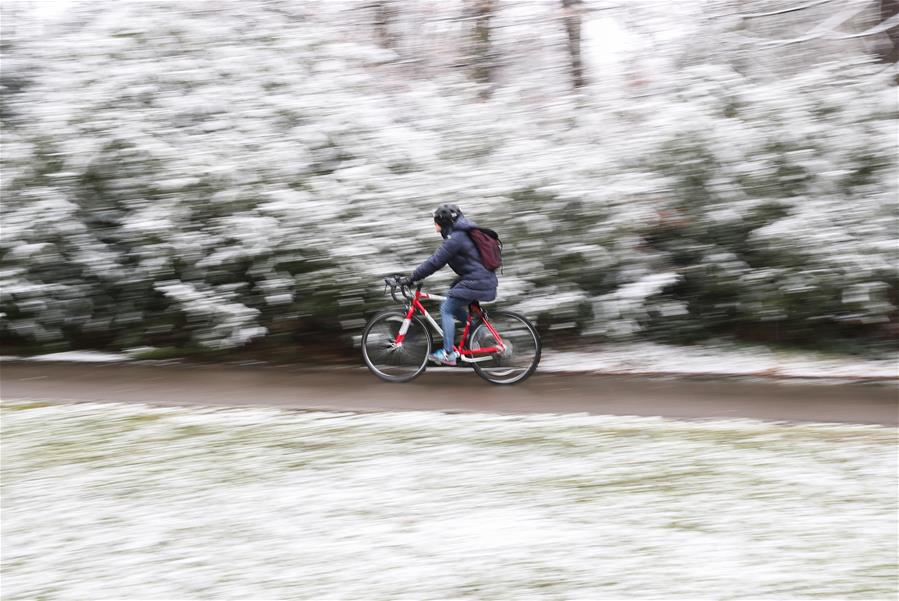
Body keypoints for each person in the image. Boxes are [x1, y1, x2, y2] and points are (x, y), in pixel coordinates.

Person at [408, 204, 498, 366]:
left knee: (446, 308)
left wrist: (412, 277)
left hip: (478, 280)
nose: (434, 224)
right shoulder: (460, 234)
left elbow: (435, 261)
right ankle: (480, 333)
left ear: (443, 222)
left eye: (435, 221)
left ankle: (448, 353)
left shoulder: (455, 239)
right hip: (480, 278)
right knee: (450, 298)